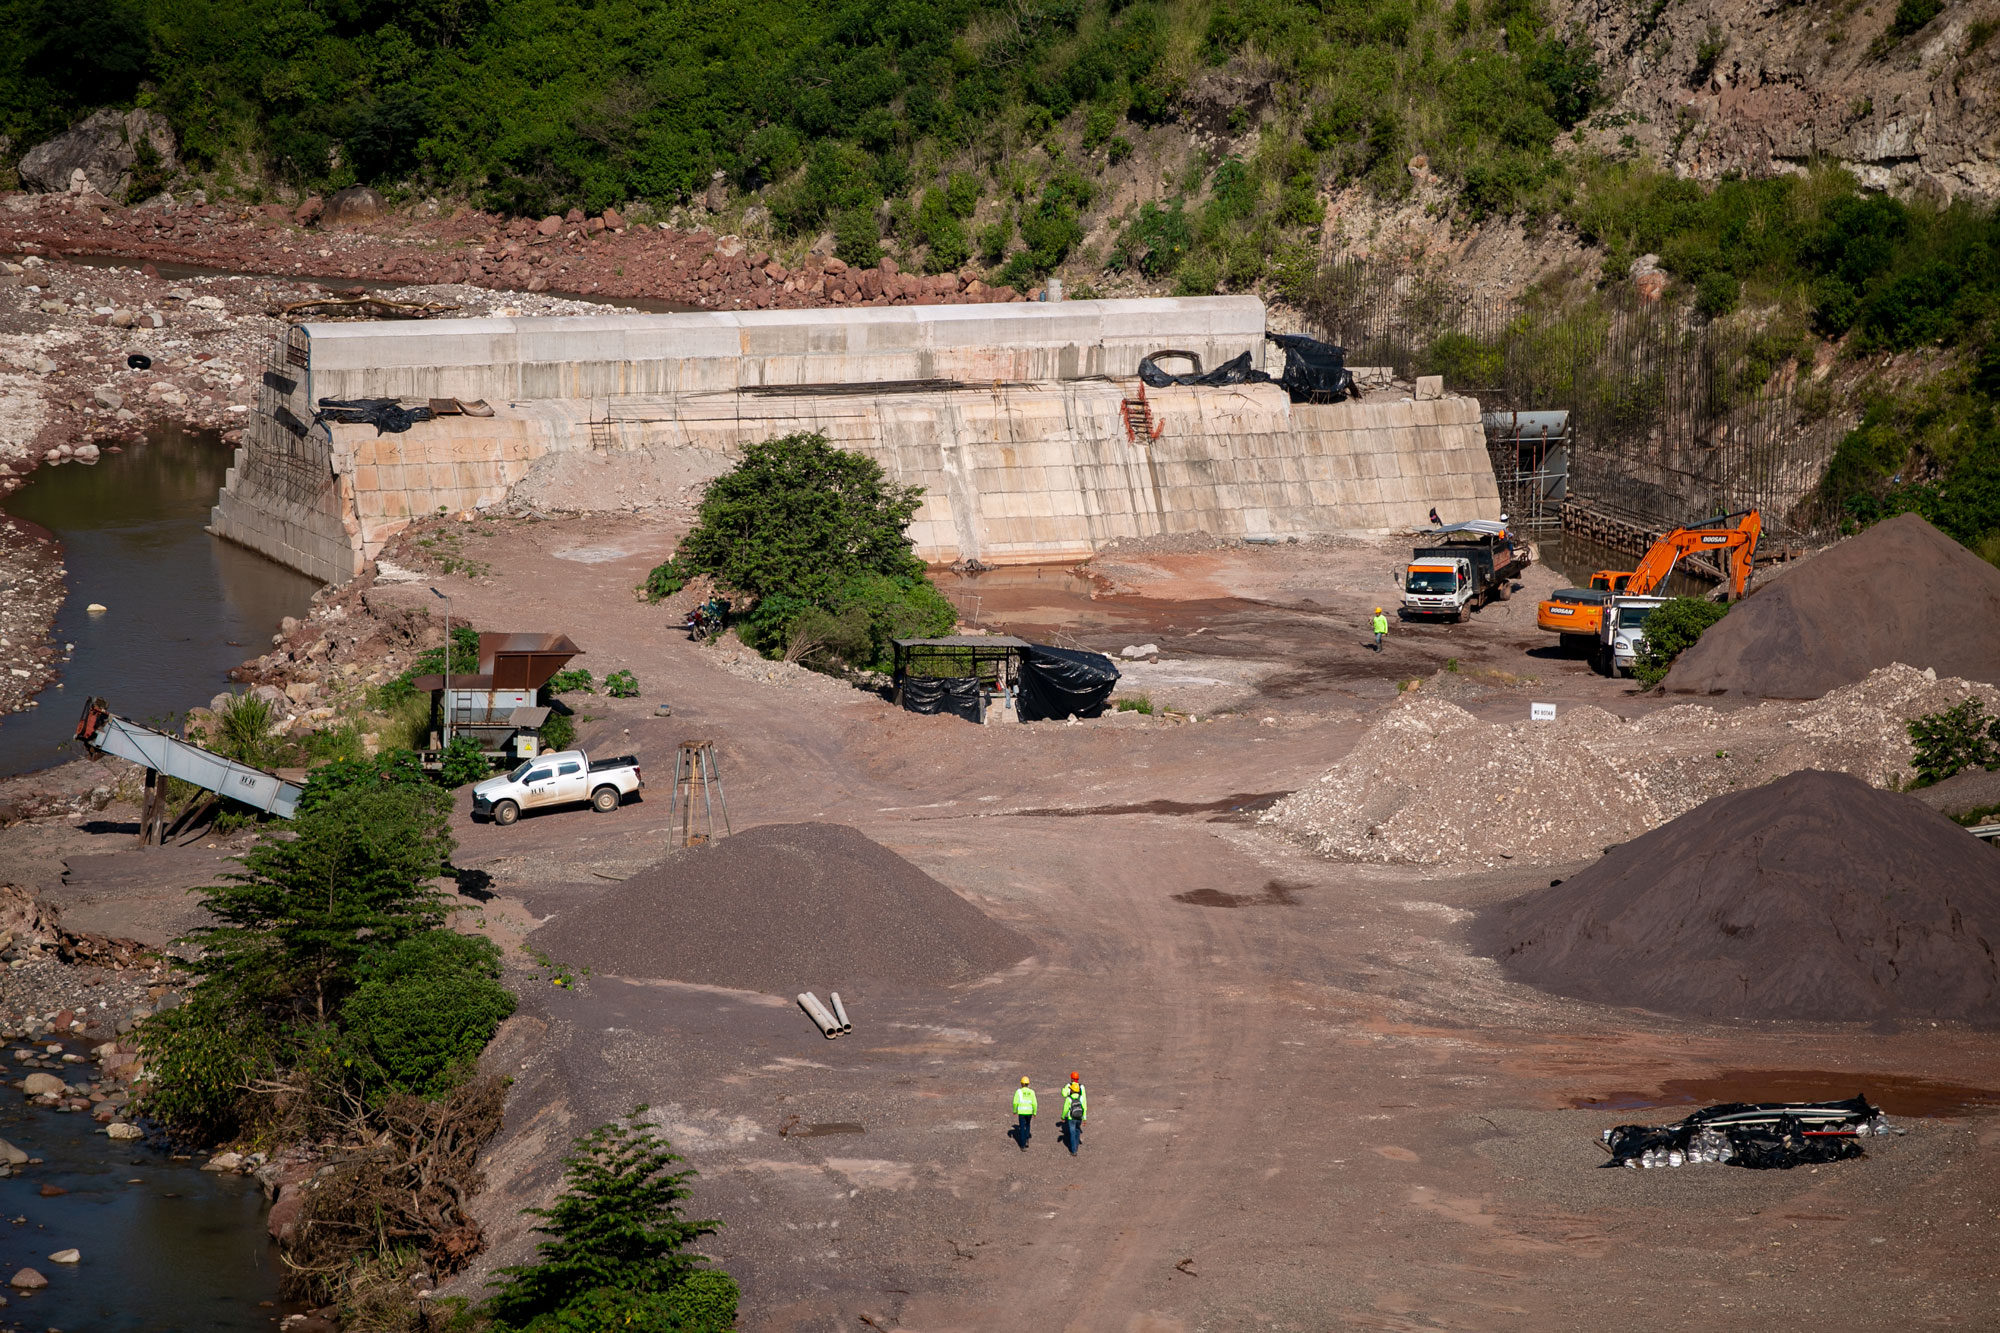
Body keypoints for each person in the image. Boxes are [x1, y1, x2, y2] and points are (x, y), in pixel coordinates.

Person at [1059, 1072, 1088, 1155]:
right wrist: (1084, 1117)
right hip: (1079, 1114)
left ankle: (1073, 1149)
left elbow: (1064, 1094)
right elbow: (1084, 1102)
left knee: (1071, 1132)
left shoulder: (1069, 1086)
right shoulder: (1082, 1087)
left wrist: (1064, 1089)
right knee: (1077, 1130)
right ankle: (1076, 1145)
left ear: (1071, 1078)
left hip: (1071, 1115)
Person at [1013, 1076, 1037, 1150]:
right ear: (1028, 1084)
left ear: (1021, 1083)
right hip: (1029, 1112)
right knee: (1028, 1125)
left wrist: (1014, 1110)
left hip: (1022, 1112)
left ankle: (1022, 1145)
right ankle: (1027, 1139)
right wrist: (1035, 1112)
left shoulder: (1019, 1092)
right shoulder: (1031, 1092)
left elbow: (1015, 1102)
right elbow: (1035, 1103)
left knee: (1022, 1128)